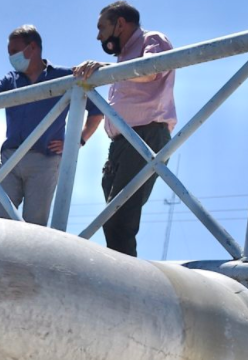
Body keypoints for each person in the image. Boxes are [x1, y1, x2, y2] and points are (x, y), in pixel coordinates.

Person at [0, 25, 105, 226]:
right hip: (11, 158)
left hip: (44, 162)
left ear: (32, 48)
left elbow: (97, 111)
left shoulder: (66, 76)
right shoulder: (11, 79)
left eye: (13, 52)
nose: (10, 57)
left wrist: (77, 141)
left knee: (35, 227)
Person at [75, 1, 176, 257]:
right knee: (115, 219)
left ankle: (129, 285)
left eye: (102, 27)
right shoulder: (122, 57)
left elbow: (151, 70)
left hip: (146, 135)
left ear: (120, 23)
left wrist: (108, 70)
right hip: (120, 143)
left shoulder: (152, 39)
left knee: (118, 218)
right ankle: (127, 279)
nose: (98, 36)